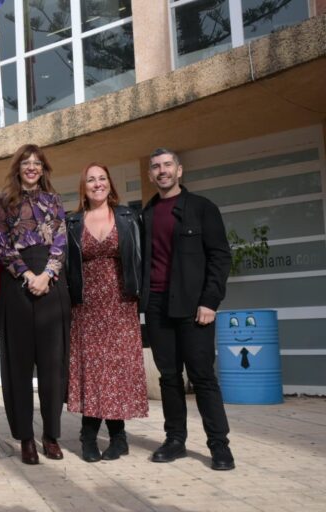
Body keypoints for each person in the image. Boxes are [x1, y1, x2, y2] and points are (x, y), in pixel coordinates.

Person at [141, 148, 235, 471]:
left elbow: (220, 256)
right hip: (157, 305)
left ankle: (219, 446)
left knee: (202, 376)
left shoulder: (202, 208)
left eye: (168, 165)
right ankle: (175, 440)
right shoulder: (146, 214)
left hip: (194, 306)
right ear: (150, 175)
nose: (162, 170)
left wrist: (210, 301)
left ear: (179, 171)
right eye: (156, 166)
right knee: (169, 377)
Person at [65, 163, 148, 463]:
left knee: (116, 371)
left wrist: (142, 298)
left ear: (110, 184)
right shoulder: (72, 221)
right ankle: (89, 438)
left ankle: (118, 438)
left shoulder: (127, 216)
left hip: (121, 303)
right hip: (86, 306)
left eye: (102, 178)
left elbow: (141, 258)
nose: (97, 183)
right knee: (92, 370)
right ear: (83, 187)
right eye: (91, 179)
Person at [0, 144, 71, 465]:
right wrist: (28, 276)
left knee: (53, 365)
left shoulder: (54, 200)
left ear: (43, 169)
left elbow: (61, 242)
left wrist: (47, 275)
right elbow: (2, 246)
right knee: (20, 365)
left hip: (52, 284)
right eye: (26, 162)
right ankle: (26, 437)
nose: (31, 167)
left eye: (37, 163)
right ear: (18, 168)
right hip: (18, 284)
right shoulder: (5, 201)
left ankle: (51, 435)